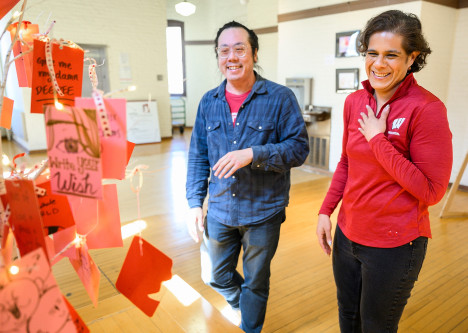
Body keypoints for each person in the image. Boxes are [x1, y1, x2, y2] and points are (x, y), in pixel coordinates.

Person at [316, 10, 453, 333]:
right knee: (348, 317)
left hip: (395, 245)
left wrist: (378, 140)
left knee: (376, 326)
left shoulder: (427, 109)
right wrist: (326, 211)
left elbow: (432, 191)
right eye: (372, 54)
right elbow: (347, 163)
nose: (379, 64)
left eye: (391, 55)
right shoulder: (354, 102)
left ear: (412, 58)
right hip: (348, 235)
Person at [186, 21, 309, 333]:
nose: (232, 57)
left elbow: (298, 149)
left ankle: (250, 325)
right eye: (224, 50)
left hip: (264, 210)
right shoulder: (208, 102)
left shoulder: (280, 98)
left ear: (254, 53)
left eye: (239, 49)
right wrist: (193, 203)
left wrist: (254, 154)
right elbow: (198, 156)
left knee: (257, 280)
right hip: (220, 208)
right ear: (217, 57)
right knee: (213, 274)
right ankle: (241, 302)